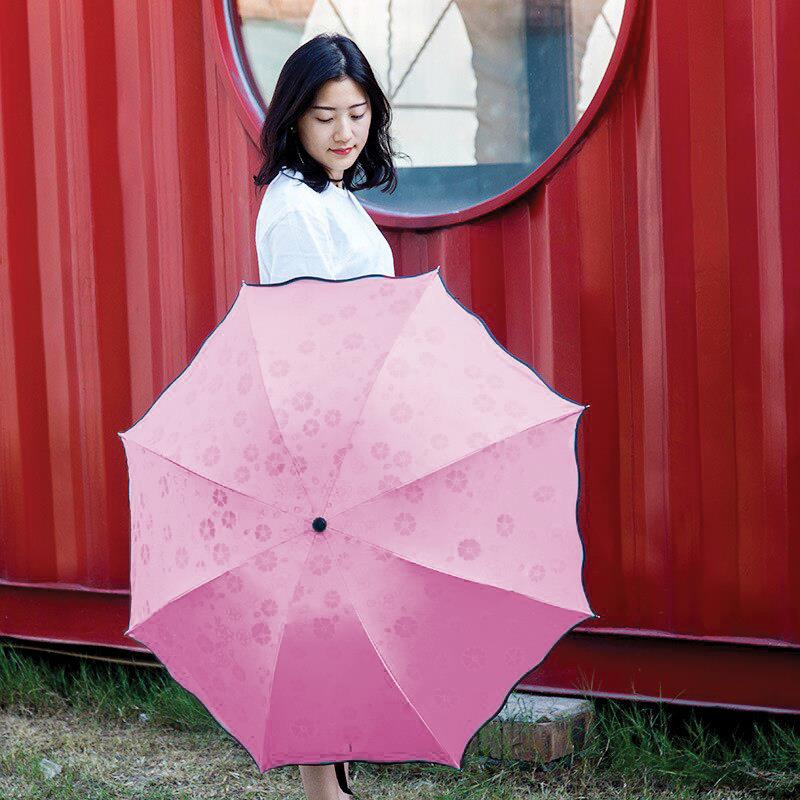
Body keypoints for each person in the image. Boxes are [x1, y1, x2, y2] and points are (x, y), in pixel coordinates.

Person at [251, 31, 404, 800]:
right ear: (292, 120)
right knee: (324, 615)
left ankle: (336, 781)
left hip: (358, 422)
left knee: (346, 612)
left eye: (357, 112)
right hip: (325, 436)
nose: (345, 132)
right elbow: (310, 342)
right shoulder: (294, 212)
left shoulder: (331, 195)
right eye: (324, 117)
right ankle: (324, 789)